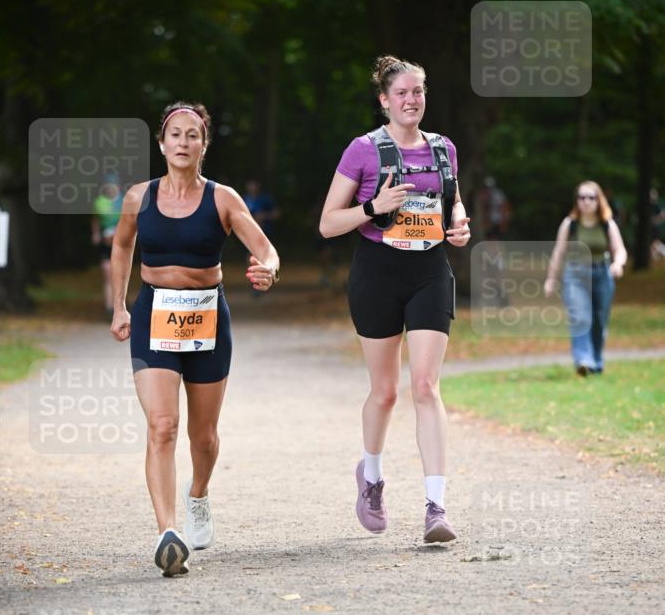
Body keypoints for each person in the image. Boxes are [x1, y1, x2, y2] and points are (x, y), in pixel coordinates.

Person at [110, 102, 280, 577]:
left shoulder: (223, 199)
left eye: (193, 135)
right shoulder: (137, 198)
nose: (183, 143)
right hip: (153, 316)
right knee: (162, 425)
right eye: (175, 135)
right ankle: (169, 532)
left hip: (206, 319)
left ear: (204, 145)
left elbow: (265, 247)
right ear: (161, 144)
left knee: (202, 437)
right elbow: (122, 244)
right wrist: (120, 305)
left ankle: (198, 495)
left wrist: (267, 268)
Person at [319, 55, 471, 543]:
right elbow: (327, 223)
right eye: (402, 93)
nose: (412, 100)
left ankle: (436, 506)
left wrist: (460, 224)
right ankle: (372, 477)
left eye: (419, 92)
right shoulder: (363, 150)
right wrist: (372, 207)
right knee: (385, 392)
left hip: (429, 270)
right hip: (377, 272)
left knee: (425, 386)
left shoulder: (444, 149)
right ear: (384, 100)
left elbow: (453, 200)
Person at [544, 180, 627, 376]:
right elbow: (558, 252)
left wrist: (618, 264)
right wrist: (551, 279)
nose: (586, 201)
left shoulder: (607, 224)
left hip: (602, 273)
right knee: (580, 317)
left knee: (599, 320)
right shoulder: (570, 224)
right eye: (582, 197)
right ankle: (583, 360)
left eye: (591, 197)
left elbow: (620, 249)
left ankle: (596, 361)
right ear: (577, 201)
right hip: (575, 274)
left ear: (599, 200)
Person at [91, 173, 123, 317]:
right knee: (107, 274)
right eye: (108, 187)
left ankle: (120, 305)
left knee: (120, 275)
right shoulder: (99, 202)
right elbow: (95, 219)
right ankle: (109, 308)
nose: (110, 189)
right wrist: (96, 234)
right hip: (106, 242)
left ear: (118, 186)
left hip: (122, 244)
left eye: (113, 186)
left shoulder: (124, 201)